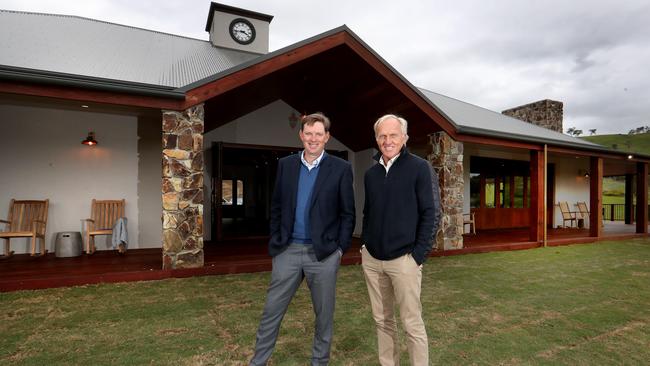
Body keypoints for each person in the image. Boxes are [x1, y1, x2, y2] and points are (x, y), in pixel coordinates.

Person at [250, 112, 356, 366]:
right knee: (271, 311)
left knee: (323, 316)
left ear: (327, 137)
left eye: (318, 134)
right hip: (288, 250)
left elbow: (347, 213)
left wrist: (339, 250)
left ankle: (319, 362)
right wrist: (277, 240)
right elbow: (276, 206)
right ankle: (258, 362)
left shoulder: (341, 168)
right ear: (301, 135)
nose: (313, 139)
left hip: (323, 254)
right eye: (308, 133)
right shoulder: (286, 165)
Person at [361, 114, 441, 366]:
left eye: (393, 135)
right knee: (382, 321)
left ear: (404, 137)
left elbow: (432, 212)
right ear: (376, 139)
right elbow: (368, 212)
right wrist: (365, 245)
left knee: (411, 323)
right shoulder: (371, 174)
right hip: (373, 260)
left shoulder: (419, 167)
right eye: (382, 136)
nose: (387, 140)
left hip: (404, 260)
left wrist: (417, 256)